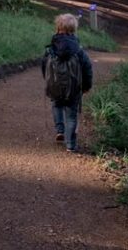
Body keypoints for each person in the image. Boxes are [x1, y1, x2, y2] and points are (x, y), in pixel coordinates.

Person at [41, 13, 93, 152]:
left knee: (56, 105)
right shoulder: (78, 50)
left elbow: (44, 66)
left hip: (55, 86)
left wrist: (48, 81)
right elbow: (87, 68)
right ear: (73, 30)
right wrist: (87, 86)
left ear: (57, 29)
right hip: (74, 88)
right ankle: (71, 145)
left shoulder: (51, 48)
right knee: (71, 115)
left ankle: (60, 130)